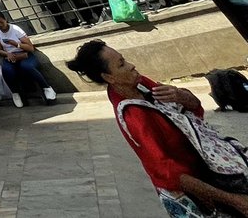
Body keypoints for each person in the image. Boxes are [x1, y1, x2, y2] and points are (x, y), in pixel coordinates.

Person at [67, 40, 248, 216]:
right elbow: (166, 171)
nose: (131, 65)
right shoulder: (134, 116)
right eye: (121, 64)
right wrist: (233, 200)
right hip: (194, 188)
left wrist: (180, 95)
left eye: (125, 59)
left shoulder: (140, 83)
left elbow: (193, 109)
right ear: (109, 77)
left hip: (208, 165)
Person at [0, 11, 56, 108]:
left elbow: (30, 48)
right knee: (7, 70)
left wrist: (16, 44)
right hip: (9, 56)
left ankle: (47, 87)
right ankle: (15, 93)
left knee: (26, 66)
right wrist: (7, 54)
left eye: (1, 22)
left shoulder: (16, 29)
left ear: (5, 20)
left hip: (24, 54)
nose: (0, 25)